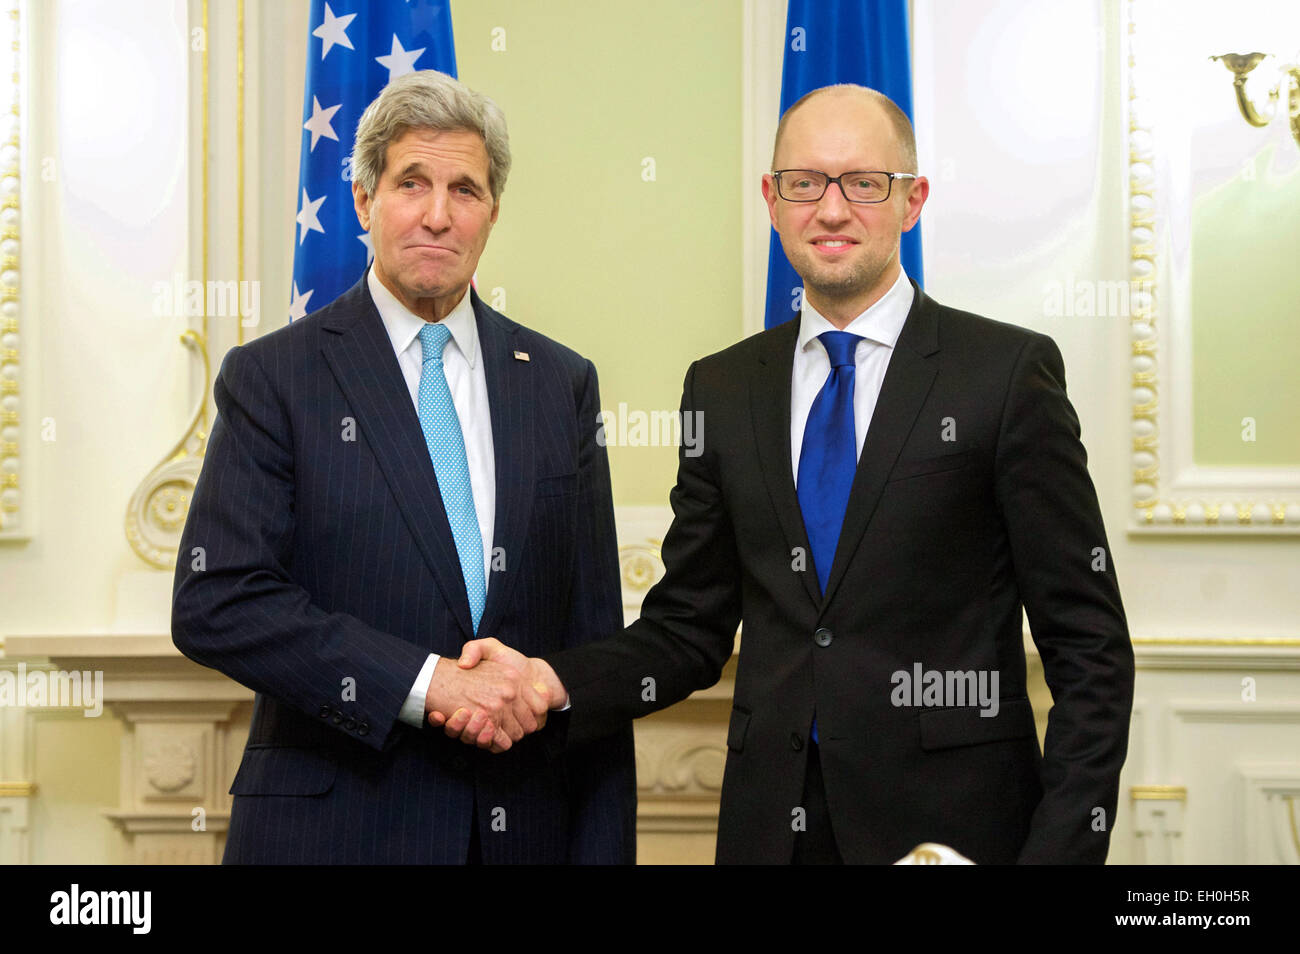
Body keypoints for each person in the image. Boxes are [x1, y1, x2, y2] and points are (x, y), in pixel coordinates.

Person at [437, 84, 1135, 865]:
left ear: (913, 200)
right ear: (772, 201)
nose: (831, 210)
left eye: (864, 183)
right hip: (770, 833)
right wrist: (545, 683)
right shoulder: (723, 389)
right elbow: (688, 630)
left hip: (958, 833)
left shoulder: (1005, 375)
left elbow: (1091, 650)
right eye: (805, 183)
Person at [171, 70, 635, 864]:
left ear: (492, 214)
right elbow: (217, 600)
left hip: (522, 832)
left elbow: (593, 644)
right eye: (411, 182)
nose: (436, 214)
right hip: (333, 832)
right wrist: (427, 684)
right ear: (362, 199)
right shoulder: (275, 378)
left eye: (465, 189)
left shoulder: (561, 382)